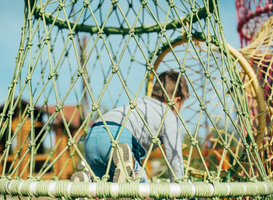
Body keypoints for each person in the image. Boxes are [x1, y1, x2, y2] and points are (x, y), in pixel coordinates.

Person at [84, 70, 189, 183]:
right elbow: (174, 158)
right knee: (142, 184)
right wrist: (180, 187)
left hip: (93, 135)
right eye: (181, 105)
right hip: (118, 138)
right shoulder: (168, 115)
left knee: (102, 187)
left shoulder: (140, 102)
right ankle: (125, 164)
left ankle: (86, 185)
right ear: (176, 100)